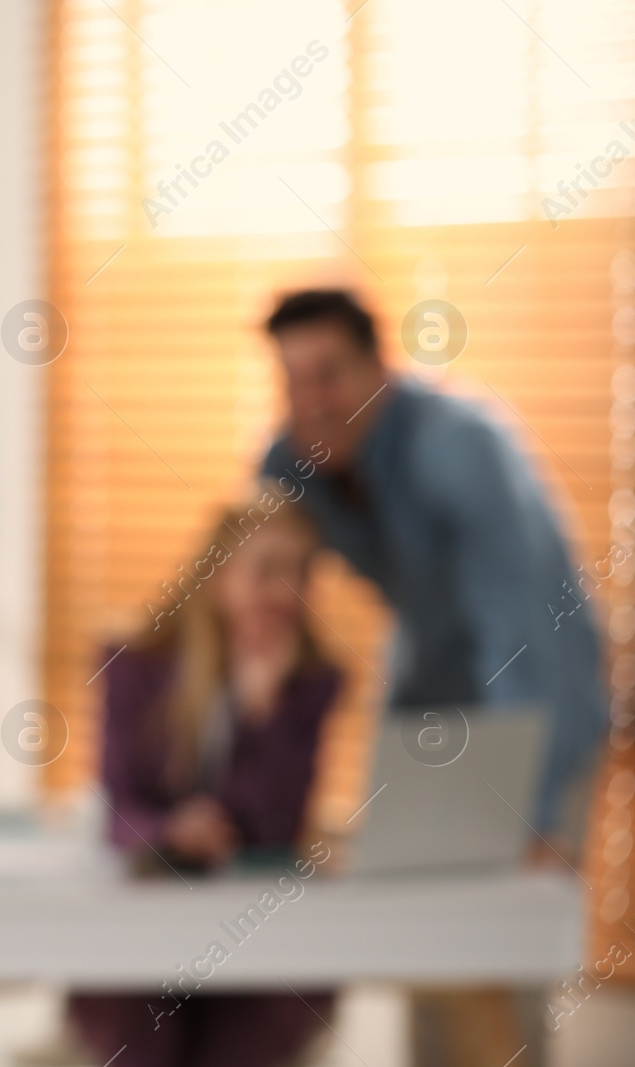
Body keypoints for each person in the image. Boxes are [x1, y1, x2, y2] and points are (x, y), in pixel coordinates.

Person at [258, 288, 607, 1067]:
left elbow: (520, 636)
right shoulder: (293, 459)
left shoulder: (457, 446)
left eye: (330, 375)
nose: (312, 402)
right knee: (425, 951)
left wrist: (535, 815)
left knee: (497, 958)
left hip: (539, 702)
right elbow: (254, 574)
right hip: (431, 703)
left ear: (380, 369)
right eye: (293, 382)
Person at [70, 491, 341, 1067]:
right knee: (142, 1033)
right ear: (217, 576)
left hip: (257, 939)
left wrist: (261, 719)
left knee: (247, 1037)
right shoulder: (134, 666)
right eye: (267, 571)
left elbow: (276, 832)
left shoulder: (311, 684)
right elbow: (117, 812)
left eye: (299, 574)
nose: (284, 593)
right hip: (145, 930)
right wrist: (170, 830)